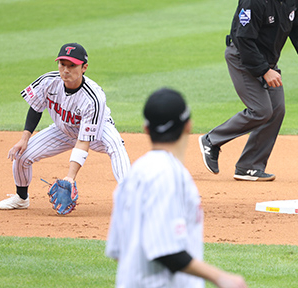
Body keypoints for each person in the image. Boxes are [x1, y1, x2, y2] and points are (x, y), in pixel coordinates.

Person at [105, 88, 248, 288]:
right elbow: (166, 251)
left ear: (146, 129)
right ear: (188, 126)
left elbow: (118, 250)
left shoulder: (133, 175)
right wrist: (220, 277)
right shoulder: (168, 175)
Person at [0, 43, 130, 211]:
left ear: (84, 67)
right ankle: (21, 198)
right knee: (22, 155)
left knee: (115, 145)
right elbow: (35, 108)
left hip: (98, 130)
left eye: (72, 65)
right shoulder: (48, 81)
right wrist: (24, 139)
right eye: (62, 64)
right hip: (63, 129)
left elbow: (83, 141)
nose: (66, 70)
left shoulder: (93, 97)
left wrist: (70, 178)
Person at [198, 0, 298, 181]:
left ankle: (249, 166)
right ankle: (211, 140)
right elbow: (243, 38)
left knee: (277, 110)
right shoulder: (254, 1)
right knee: (261, 110)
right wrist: (264, 71)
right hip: (242, 58)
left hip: (267, 62)